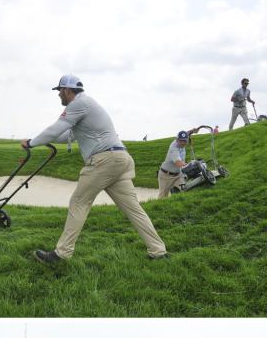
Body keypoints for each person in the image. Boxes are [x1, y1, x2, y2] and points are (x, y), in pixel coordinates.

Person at [22, 75, 167, 263]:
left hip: (103, 160)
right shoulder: (88, 105)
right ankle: (158, 251)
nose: (59, 95)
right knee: (134, 209)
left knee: (79, 202)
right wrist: (40, 140)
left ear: (67, 90)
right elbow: (65, 135)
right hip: (120, 159)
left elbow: (56, 128)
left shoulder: (77, 104)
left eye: (59, 91)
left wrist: (31, 143)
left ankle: (61, 254)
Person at [157, 129, 198, 198]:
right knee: (163, 197)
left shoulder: (183, 143)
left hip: (178, 175)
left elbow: (186, 133)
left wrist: (192, 131)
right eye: (181, 141)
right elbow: (178, 163)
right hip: (166, 176)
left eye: (185, 141)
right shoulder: (173, 147)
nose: (183, 143)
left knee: (185, 190)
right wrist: (190, 165)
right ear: (177, 140)